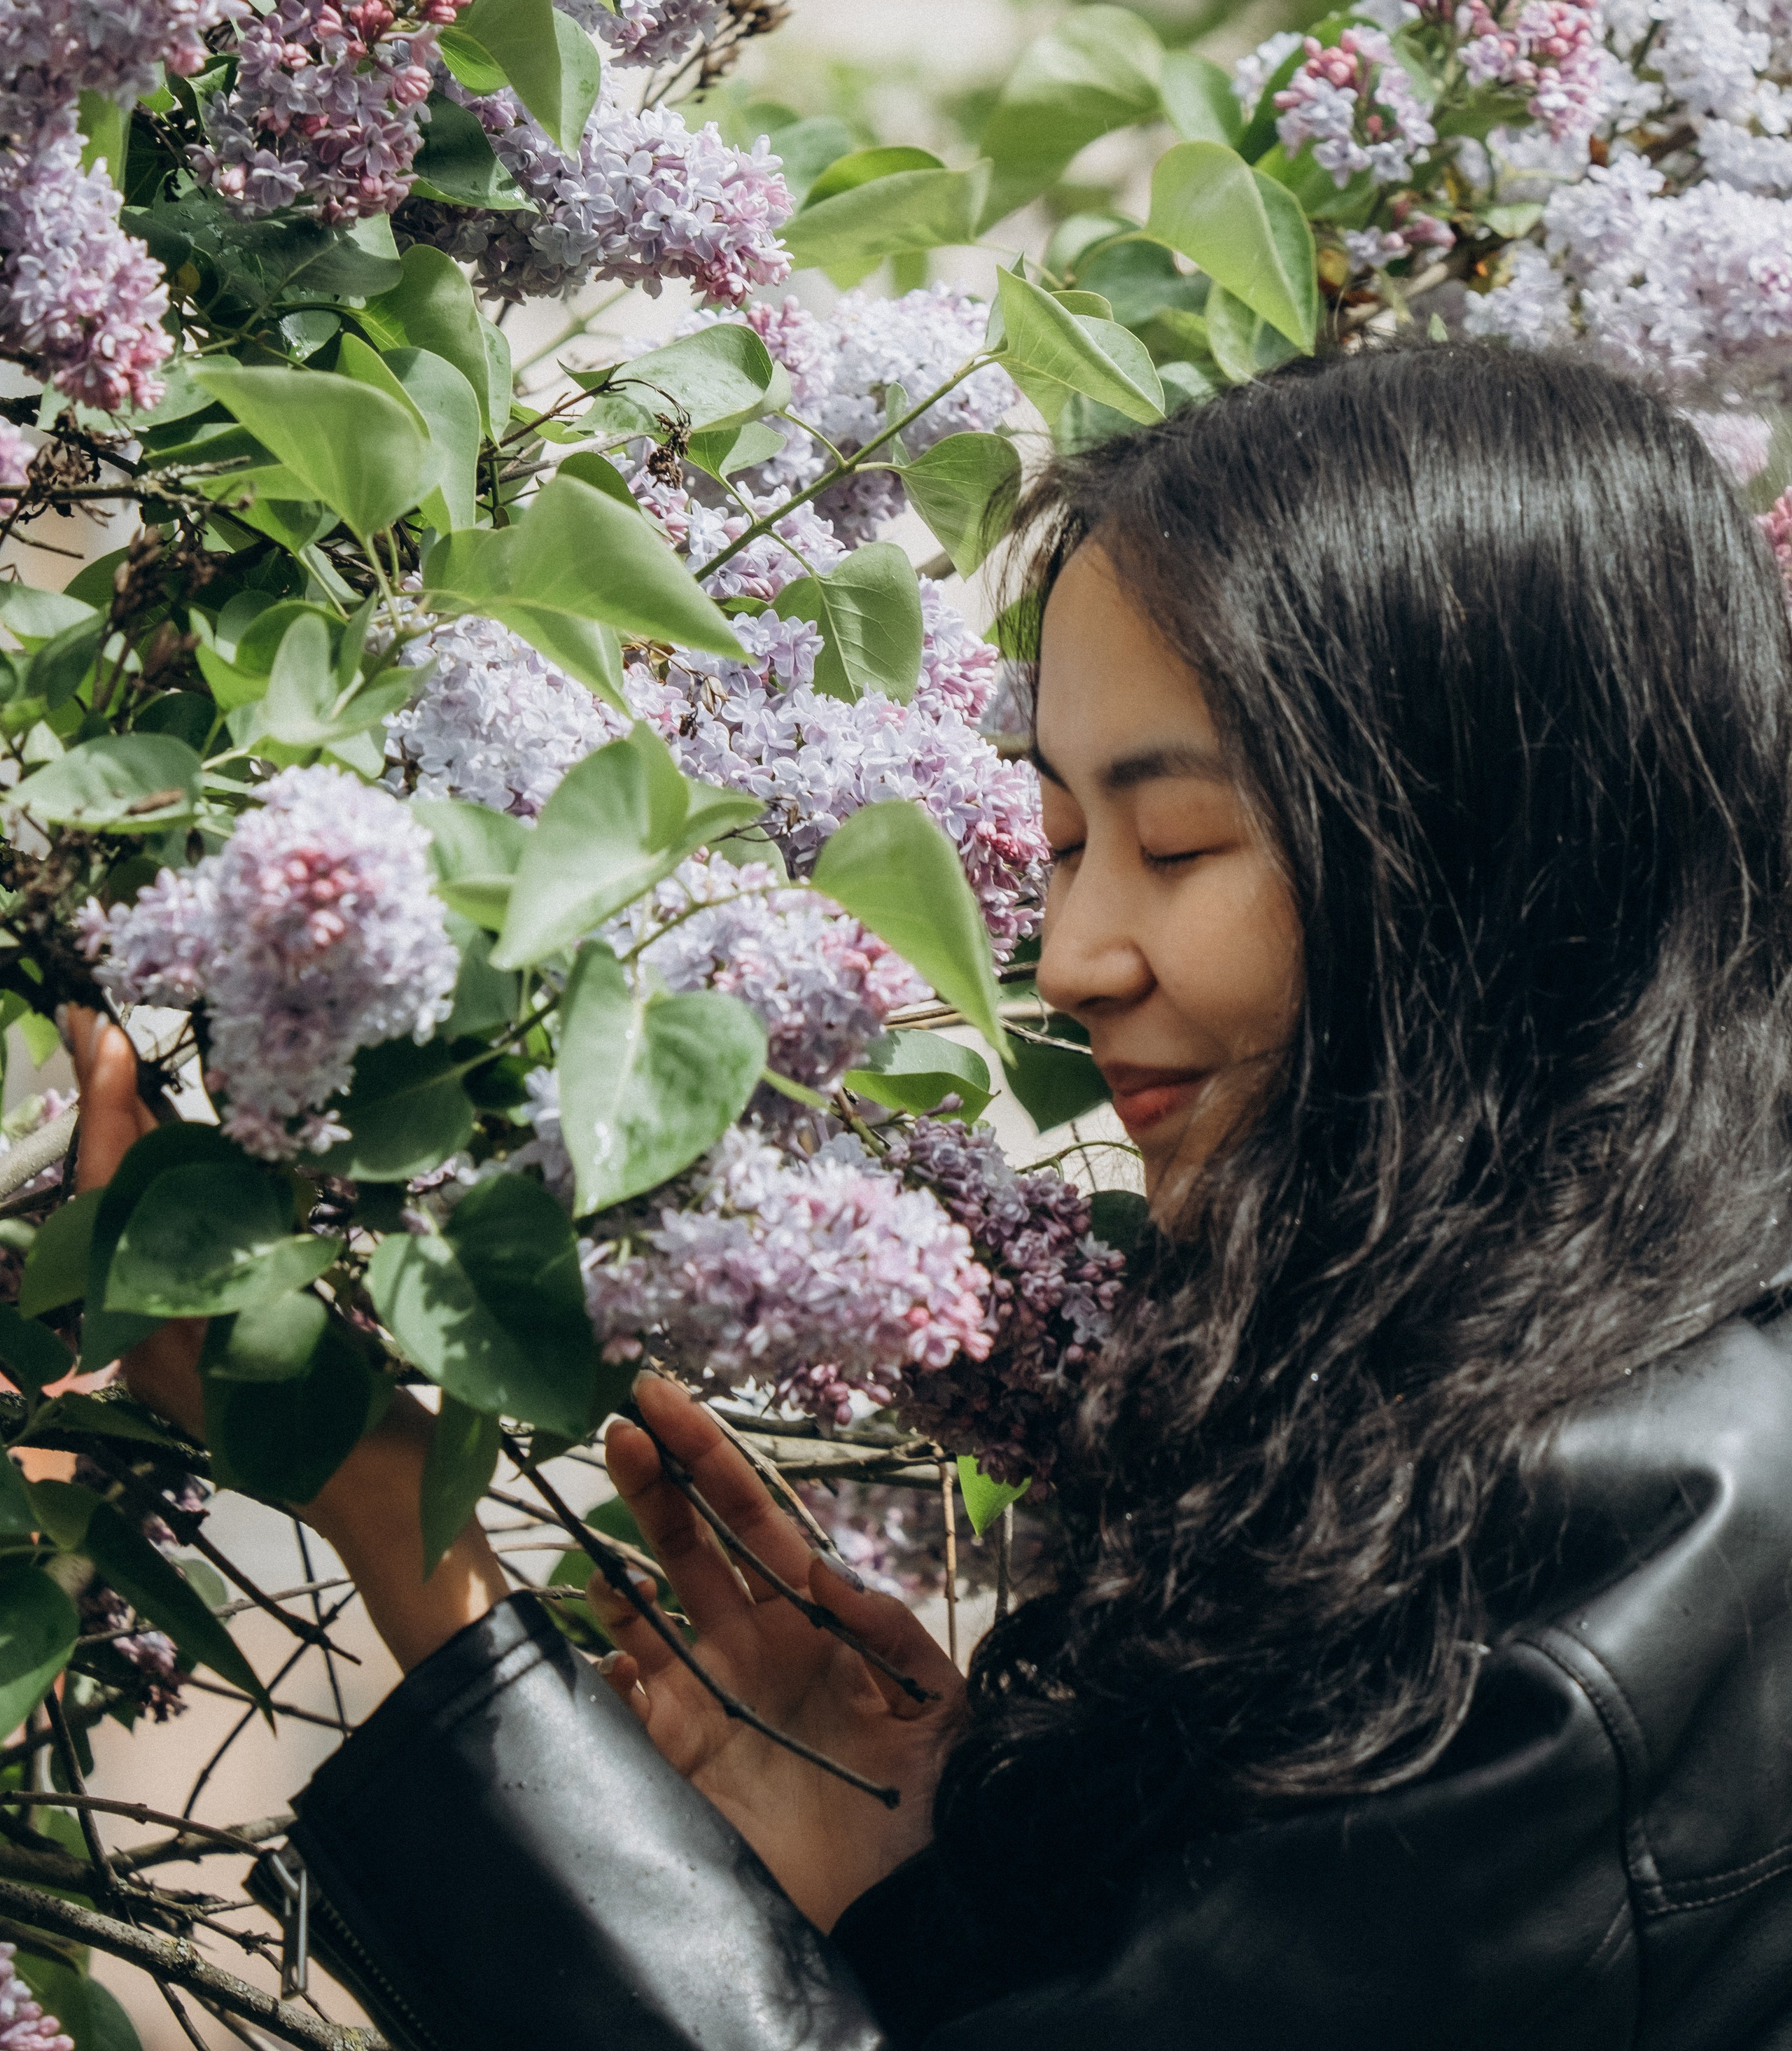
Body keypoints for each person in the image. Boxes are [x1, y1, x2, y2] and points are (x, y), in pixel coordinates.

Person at [70, 340, 1792, 2050]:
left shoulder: (1616, 1553)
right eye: (1053, 848)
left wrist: (408, 1536)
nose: (1063, 962)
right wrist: (933, 1877)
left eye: (1176, 841)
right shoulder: (1469, 1418)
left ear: (1497, 861)